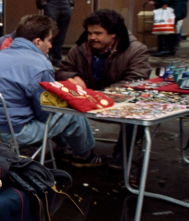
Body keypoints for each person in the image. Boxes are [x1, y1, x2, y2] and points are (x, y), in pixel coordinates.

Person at [0, 15, 106, 167]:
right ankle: (85, 156)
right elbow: (46, 111)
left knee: (54, 114)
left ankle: (66, 147)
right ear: (38, 42)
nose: (51, 45)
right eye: (49, 40)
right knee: (71, 113)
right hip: (13, 135)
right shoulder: (40, 64)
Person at [56, 9, 150, 168]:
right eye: (90, 32)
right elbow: (62, 71)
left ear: (114, 33)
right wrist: (73, 77)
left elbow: (136, 81)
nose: (92, 37)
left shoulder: (136, 50)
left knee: (140, 107)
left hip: (118, 102)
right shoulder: (80, 47)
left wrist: (101, 95)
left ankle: (123, 152)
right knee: (51, 98)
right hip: (85, 100)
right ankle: (67, 145)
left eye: (98, 33)